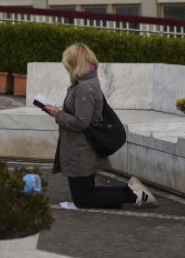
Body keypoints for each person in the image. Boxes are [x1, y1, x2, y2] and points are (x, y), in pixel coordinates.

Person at [42, 42, 157, 209]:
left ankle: (133, 195)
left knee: (83, 199)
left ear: (75, 64)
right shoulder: (87, 81)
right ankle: (131, 192)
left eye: (68, 65)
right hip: (80, 149)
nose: (67, 69)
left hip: (80, 150)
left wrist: (57, 114)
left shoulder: (85, 88)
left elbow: (82, 122)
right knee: (86, 194)